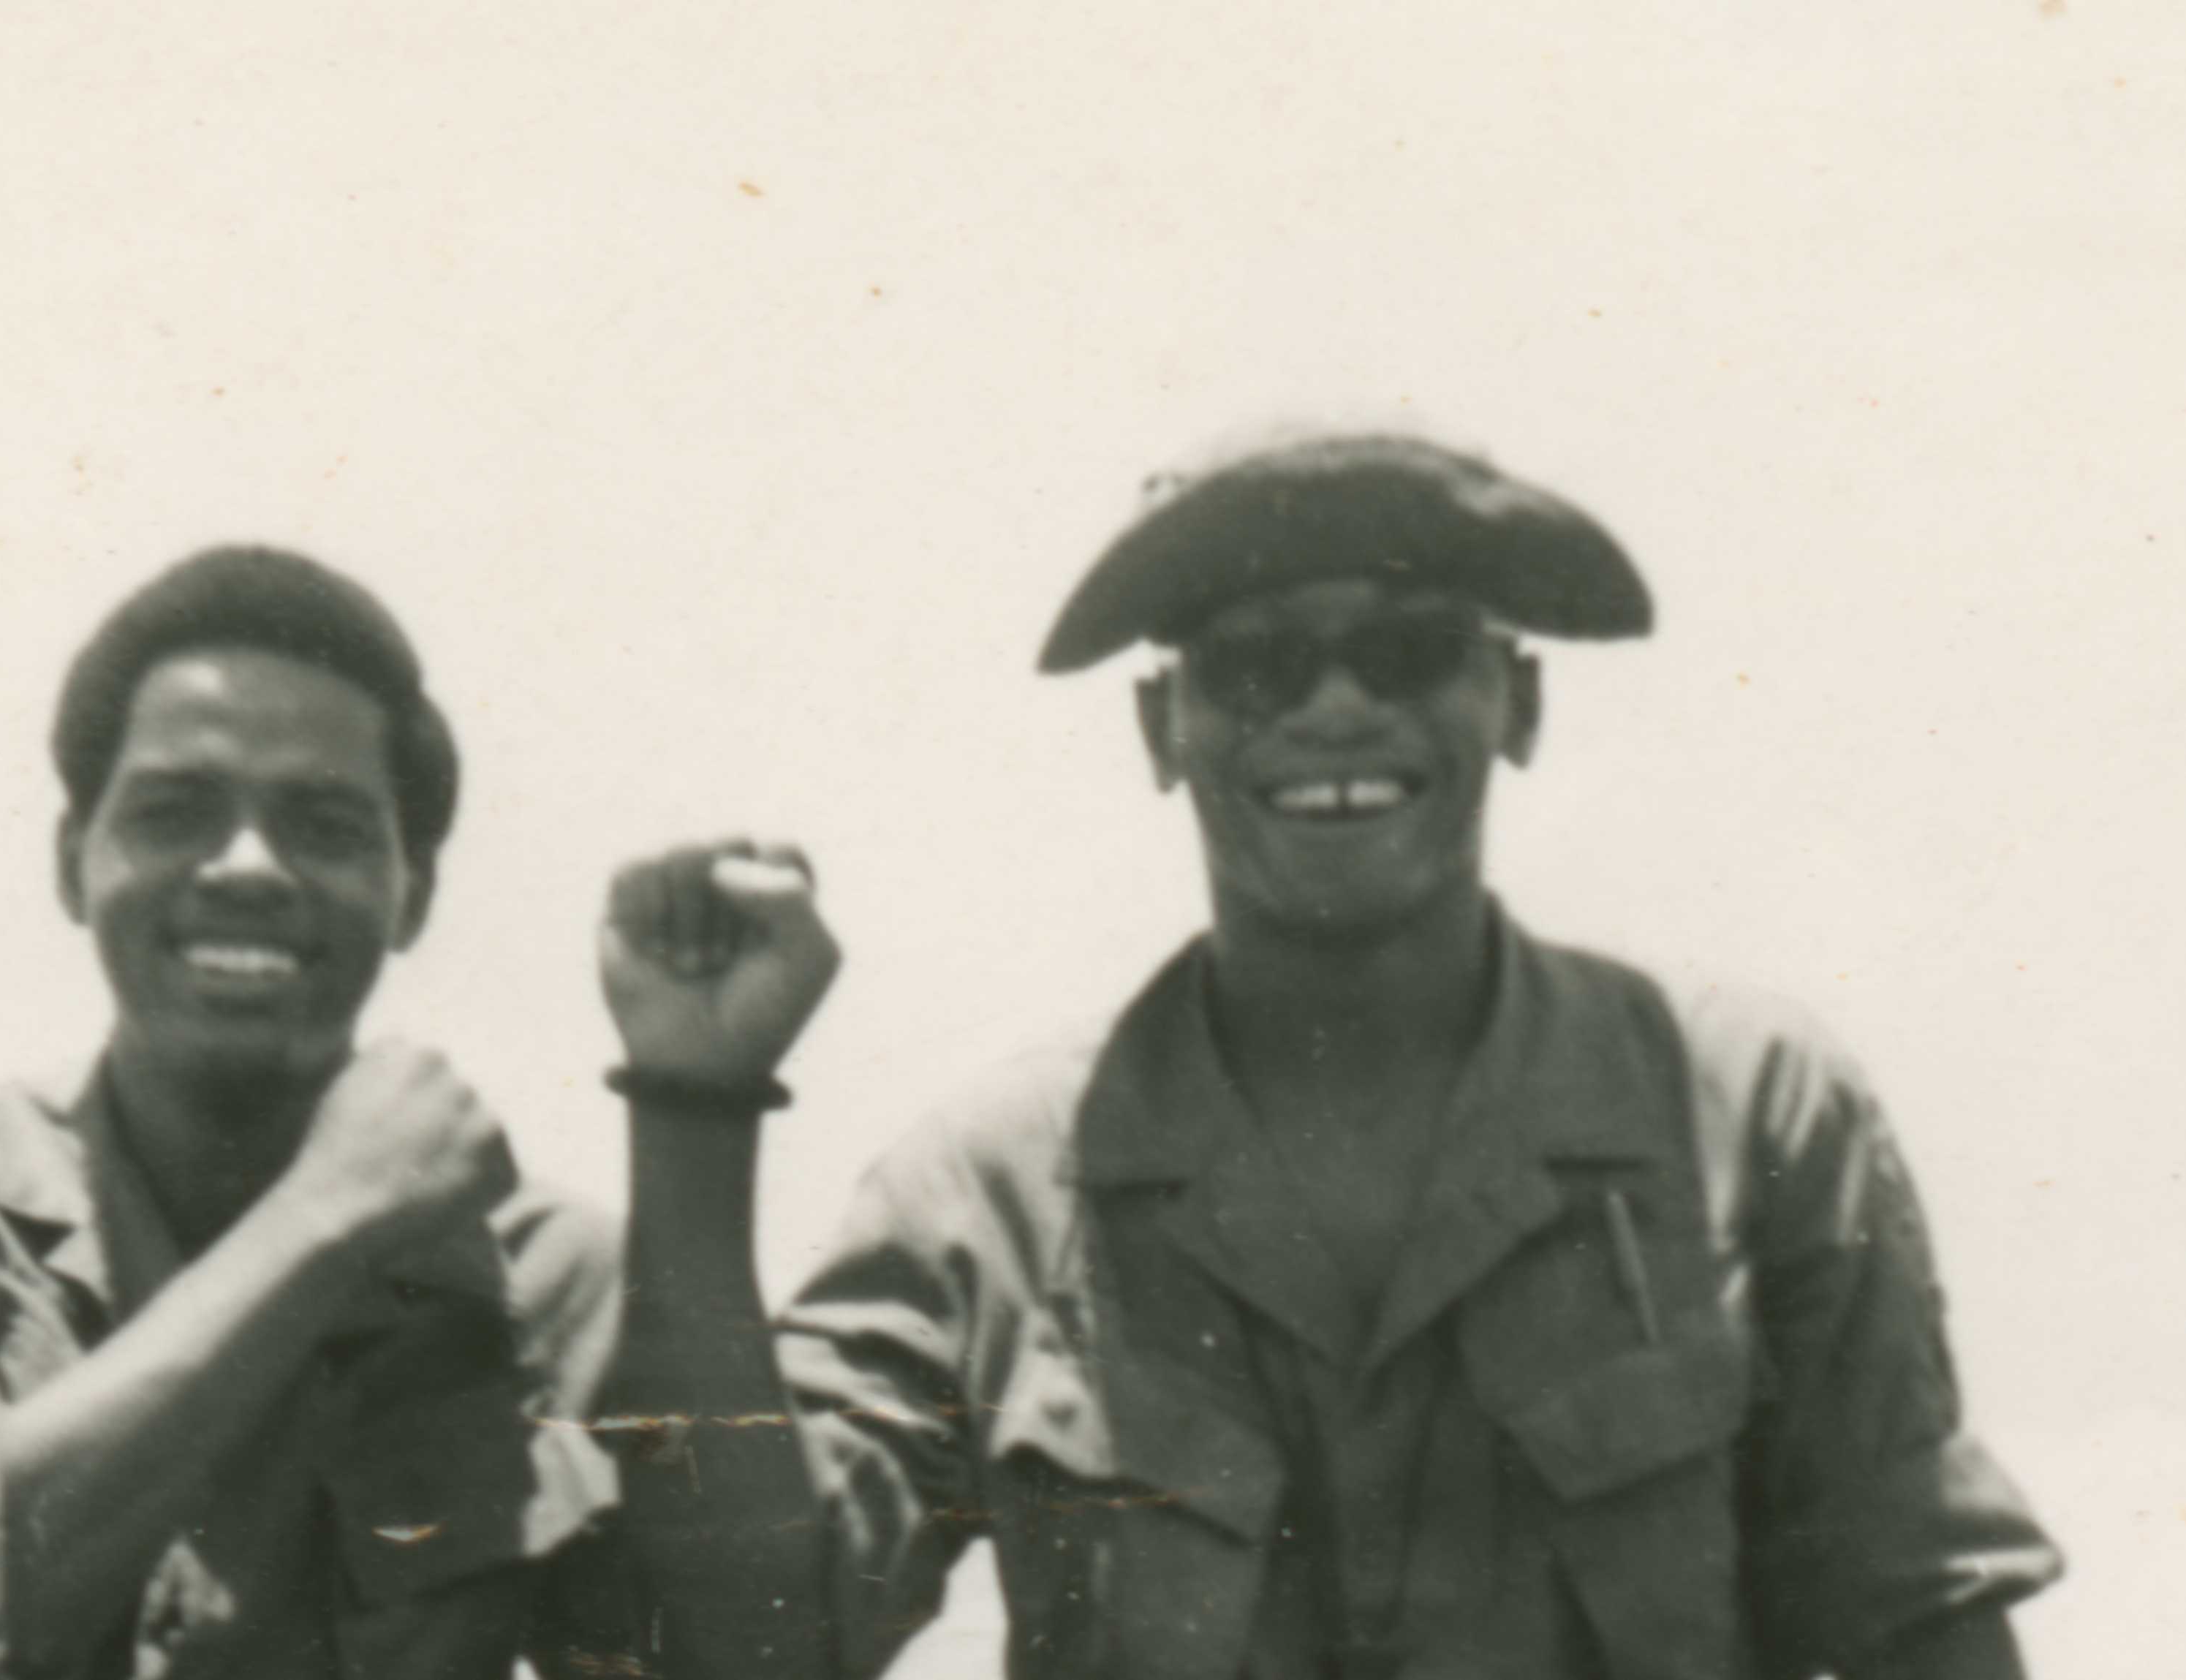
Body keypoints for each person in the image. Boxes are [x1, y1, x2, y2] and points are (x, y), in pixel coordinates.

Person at [603, 435, 2063, 1680]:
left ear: (1520, 700)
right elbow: (742, 1638)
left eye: (1411, 650)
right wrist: (693, 1103)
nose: (1335, 708)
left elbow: (1923, 1628)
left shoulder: (1746, 1107)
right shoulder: (988, 1189)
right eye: (1255, 665)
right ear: (1161, 728)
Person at [0, 546, 833, 1680]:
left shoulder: (536, 1275)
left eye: (325, 825)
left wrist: (697, 1106)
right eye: (176, 810)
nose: (246, 866)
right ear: (72, 860)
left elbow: (759, 1665)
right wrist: (322, 1224)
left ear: (412, 894)